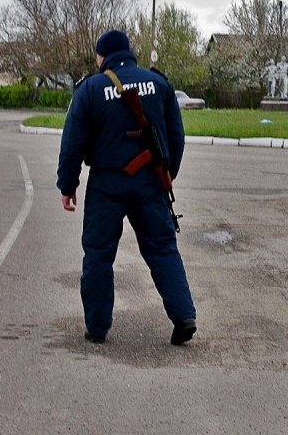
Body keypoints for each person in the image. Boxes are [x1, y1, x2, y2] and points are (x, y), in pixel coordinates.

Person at [57, 29, 196, 345]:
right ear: (129, 53)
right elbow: (176, 136)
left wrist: (68, 185)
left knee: (98, 255)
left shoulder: (91, 88)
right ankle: (184, 316)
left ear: (102, 56)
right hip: (150, 182)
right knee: (162, 248)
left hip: (106, 185)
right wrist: (167, 174)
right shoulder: (158, 84)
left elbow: (72, 143)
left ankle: (97, 329)